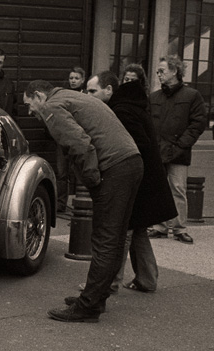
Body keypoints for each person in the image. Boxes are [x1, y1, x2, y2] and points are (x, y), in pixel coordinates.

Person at [23, 80, 143, 322]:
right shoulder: (71, 97)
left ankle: (88, 307)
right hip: (130, 162)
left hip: (114, 167)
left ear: (39, 96)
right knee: (115, 238)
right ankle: (95, 298)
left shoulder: (52, 107)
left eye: (29, 104)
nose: (29, 111)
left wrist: (93, 180)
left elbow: (79, 145)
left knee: (105, 240)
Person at [85, 70, 176, 293]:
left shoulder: (122, 111)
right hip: (145, 179)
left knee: (122, 231)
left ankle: (109, 283)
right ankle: (147, 279)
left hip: (136, 181)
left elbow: (136, 147)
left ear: (109, 90)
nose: (88, 96)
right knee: (137, 230)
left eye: (92, 91)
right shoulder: (130, 106)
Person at [147, 55, 207, 244]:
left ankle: (179, 227)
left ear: (174, 71)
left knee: (178, 189)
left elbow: (198, 123)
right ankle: (160, 226)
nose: (158, 74)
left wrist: (181, 145)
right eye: (158, 71)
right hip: (158, 150)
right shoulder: (154, 97)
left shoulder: (191, 95)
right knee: (159, 189)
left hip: (178, 151)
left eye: (162, 71)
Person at [55, 66, 87, 211]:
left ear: (82, 80)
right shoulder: (63, 95)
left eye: (76, 78)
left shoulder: (86, 96)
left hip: (79, 138)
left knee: (80, 171)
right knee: (62, 172)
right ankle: (61, 203)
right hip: (63, 138)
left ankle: (81, 202)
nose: (73, 81)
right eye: (71, 78)